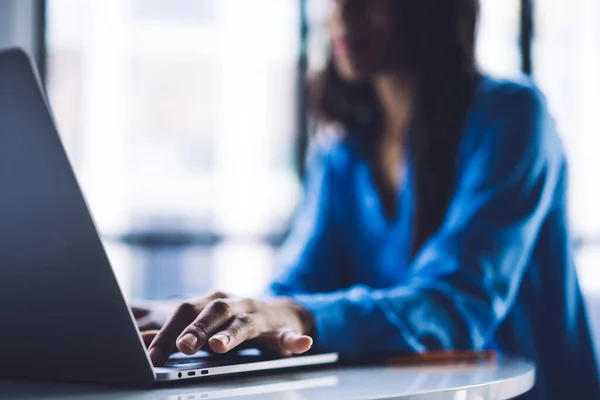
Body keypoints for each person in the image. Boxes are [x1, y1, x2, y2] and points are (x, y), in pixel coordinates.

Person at [135, 0, 600, 398]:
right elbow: (301, 286)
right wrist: (200, 316)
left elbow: (456, 305)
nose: (341, 14)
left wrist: (294, 313)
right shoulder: (345, 146)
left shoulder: (512, 116)